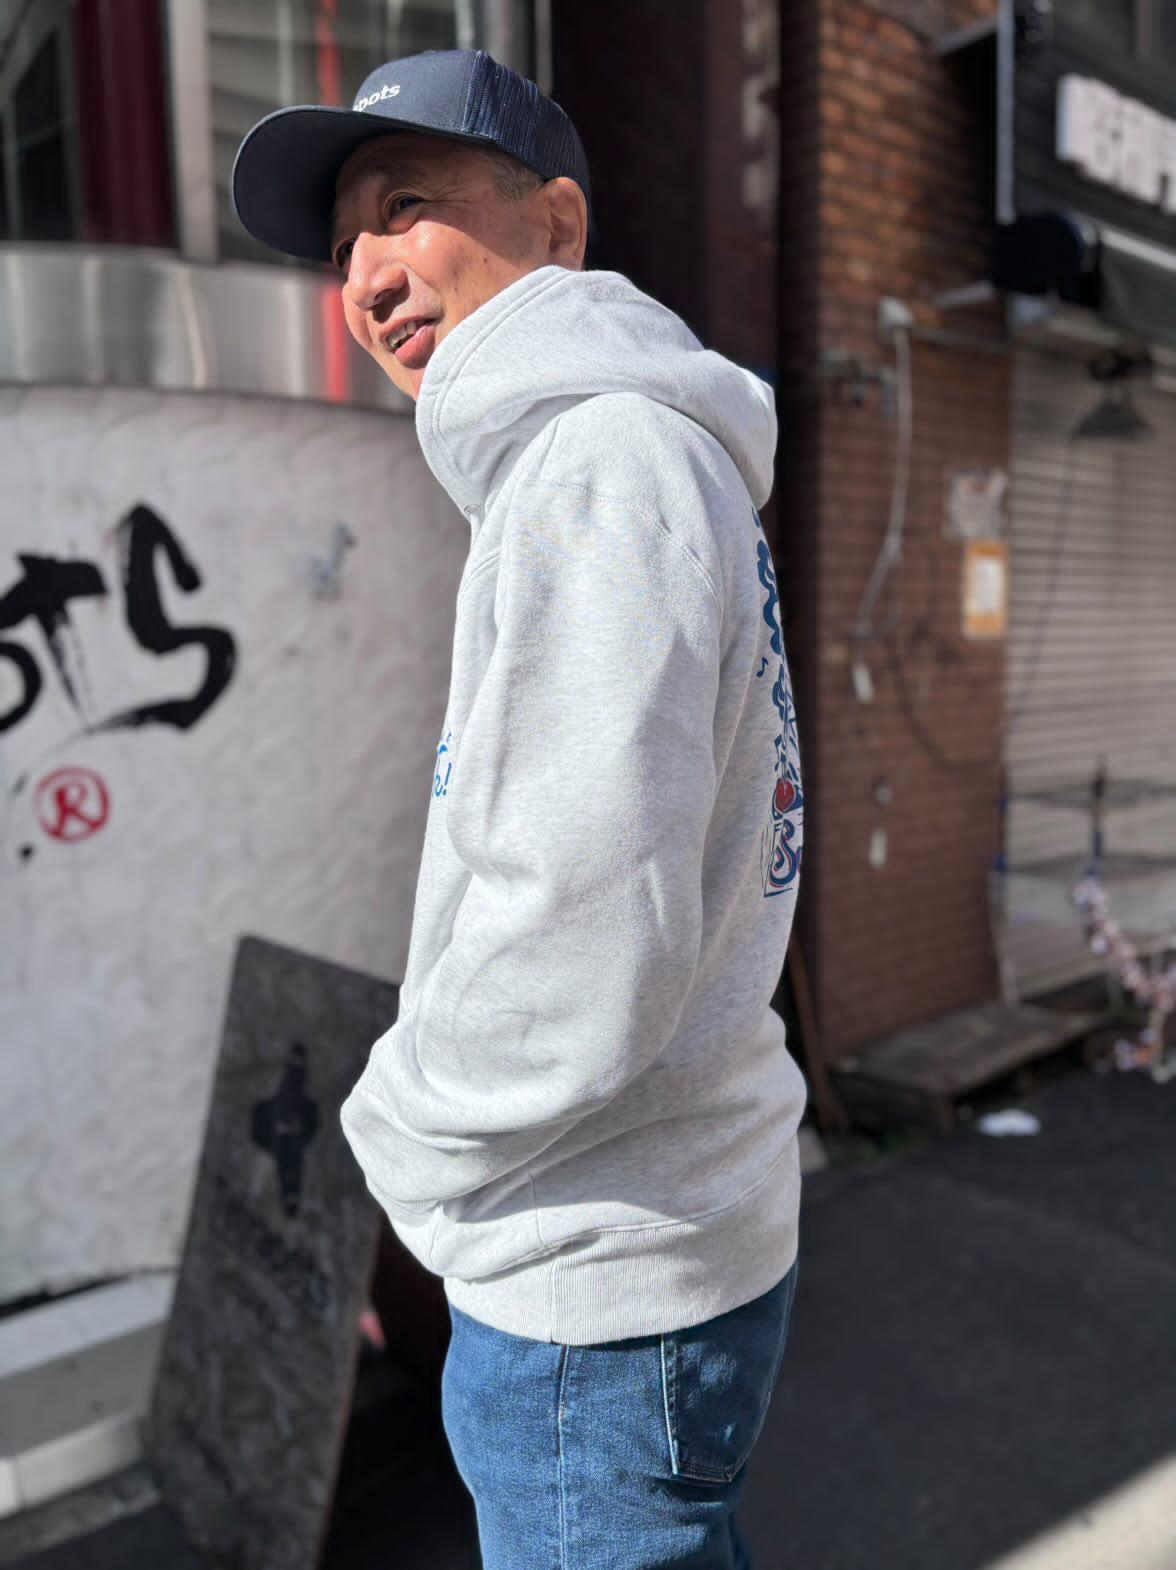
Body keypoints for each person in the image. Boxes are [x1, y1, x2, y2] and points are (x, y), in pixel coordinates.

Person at [233, 48, 807, 1569]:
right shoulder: (617, 453)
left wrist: (394, 1137)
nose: (367, 278)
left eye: (402, 209)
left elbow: (579, 932)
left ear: (557, 224)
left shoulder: (597, 463)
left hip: (592, 1282)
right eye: (343, 248)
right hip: (657, 1226)